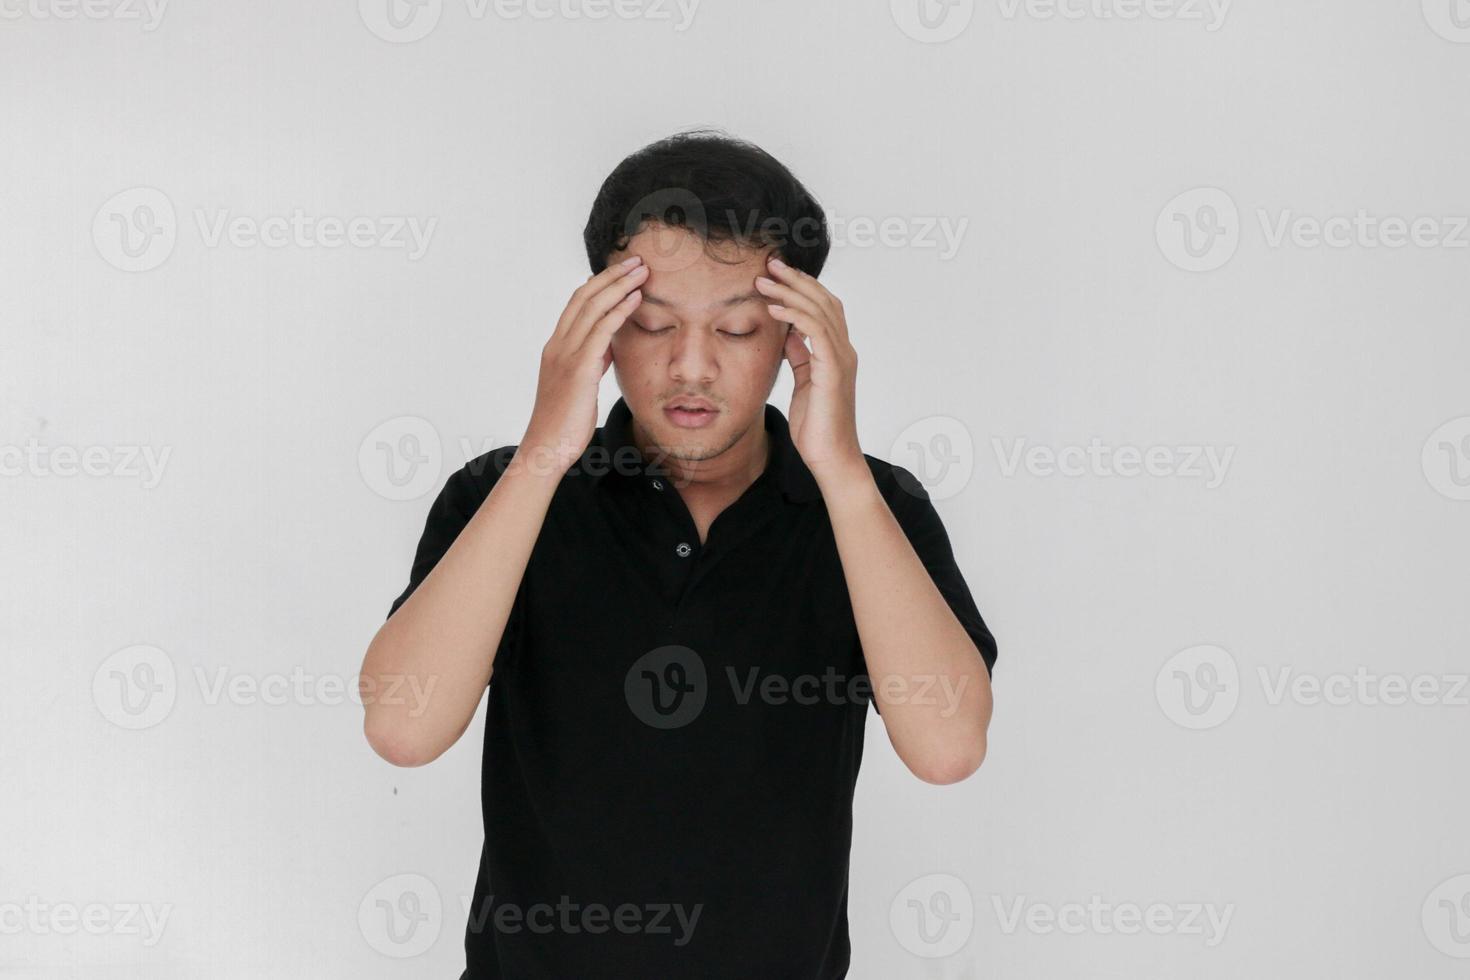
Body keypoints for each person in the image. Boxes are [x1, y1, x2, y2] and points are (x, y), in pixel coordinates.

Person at [359, 129, 998, 979]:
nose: (689, 367)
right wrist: (547, 449)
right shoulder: (499, 498)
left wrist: (841, 471)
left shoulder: (872, 509)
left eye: (736, 331)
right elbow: (402, 727)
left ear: (795, 338)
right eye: (652, 324)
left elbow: (948, 747)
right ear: (601, 326)